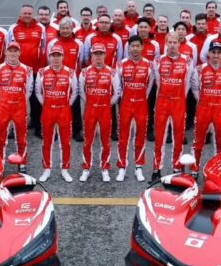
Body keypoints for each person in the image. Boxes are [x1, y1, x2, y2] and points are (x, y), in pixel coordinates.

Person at [152, 32, 192, 181]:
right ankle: (157, 169)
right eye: (170, 42)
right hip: (162, 101)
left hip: (178, 102)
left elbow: (187, 83)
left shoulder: (187, 61)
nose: (173, 45)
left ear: (179, 44)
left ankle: (176, 167)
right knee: (160, 138)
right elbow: (157, 81)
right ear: (166, 43)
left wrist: (180, 97)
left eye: (175, 42)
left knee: (178, 136)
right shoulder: (158, 60)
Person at [35, 45, 77, 183]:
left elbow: (75, 91)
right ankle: (47, 169)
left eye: (59, 55)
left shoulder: (71, 72)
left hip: (64, 111)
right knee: (47, 142)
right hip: (48, 111)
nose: (56, 58)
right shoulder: (41, 72)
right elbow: (37, 92)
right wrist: (46, 104)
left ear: (63, 57)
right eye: (53, 55)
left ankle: (65, 169)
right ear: (49, 57)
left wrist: (66, 104)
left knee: (65, 142)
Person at [79, 43, 120, 182]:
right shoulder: (84, 72)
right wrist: (91, 103)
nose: (98, 56)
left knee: (105, 141)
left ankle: (105, 168)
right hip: (90, 109)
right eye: (95, 53)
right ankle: (86, 168)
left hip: (105, 110)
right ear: (92, 55)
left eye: (100, 53)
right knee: (88, 141)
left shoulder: (112, 72)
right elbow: (82, 91)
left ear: (105, 55)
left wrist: (107, 104)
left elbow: (116, 92)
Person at [191, 42, 221, 167]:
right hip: (203, 108)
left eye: (218, 52)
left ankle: (217, 168)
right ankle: (194, 168)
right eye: (213, 52)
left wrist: (219, 99)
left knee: (220, 141)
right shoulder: (199, 69)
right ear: (208, 53)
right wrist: (202, 100)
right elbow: (194, 88)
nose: (216, 55)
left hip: (220, 109)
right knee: (198, 141)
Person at [116, 36, 154, 181]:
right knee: (123, 138)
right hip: (125, 105)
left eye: (138, 46)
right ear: (128, 47)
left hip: (141, 105)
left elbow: (149, 86)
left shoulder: (149, 65)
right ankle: (122, 167)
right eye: (132, 46)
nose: (135, 49)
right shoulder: (121, 64)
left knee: (140, 137)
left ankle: (139, 167)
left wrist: (141, 97)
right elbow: (118, 86)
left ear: (142, 47)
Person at [0, 42, 33, 163]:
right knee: (1, 137)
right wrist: (2, 103)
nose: (13, 53)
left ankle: (22, 161)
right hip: (3, 108)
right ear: (5, 52)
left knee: (21, 137)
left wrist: (19, 102)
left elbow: (28, 90)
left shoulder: (28, 70)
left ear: (19, 53)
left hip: (19, 108)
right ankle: (0, 162)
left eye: (15, 51)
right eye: (10, 50)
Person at [10, 4, 47, 137]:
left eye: (29, 13)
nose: (27, 15)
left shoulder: (40, 28)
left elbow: (43, 47)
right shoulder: (13, 28)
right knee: (16, 100)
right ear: (21, 14)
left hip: (36, 70)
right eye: (25, 13)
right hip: (18, 70)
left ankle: (37, 126)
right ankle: (15, 128)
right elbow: (10, 49)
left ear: (33, 15)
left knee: (35, 100)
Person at [48, 17, 85, 141]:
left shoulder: (78, 44)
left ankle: (76, 131)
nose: (65, 30)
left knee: (75, 105)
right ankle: (56, 130)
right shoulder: (53, 43)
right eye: (63, 28)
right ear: (59, 29)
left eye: (67, 28)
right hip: (56, 80)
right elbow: (50, 61)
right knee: (56, 106)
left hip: (73, 80)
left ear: (72, 29)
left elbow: (81, 61)